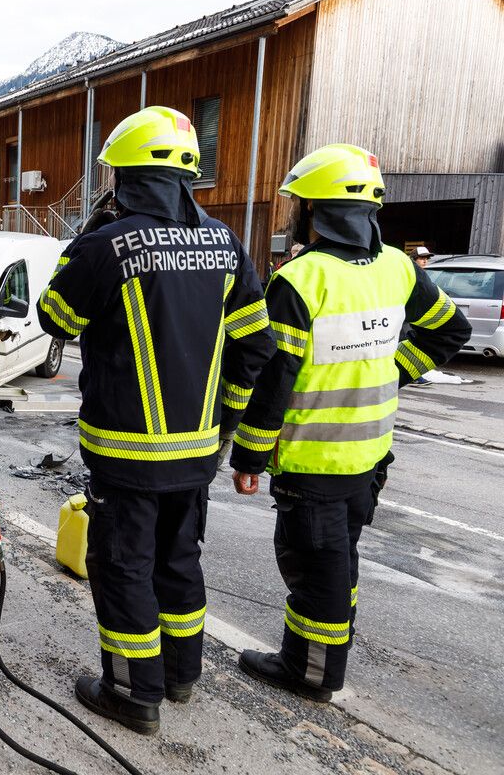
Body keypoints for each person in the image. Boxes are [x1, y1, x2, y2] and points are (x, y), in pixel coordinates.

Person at [36, 106, 275, 735]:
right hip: (196, 454)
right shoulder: (225, 243)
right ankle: (179, 676)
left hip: (127, 452)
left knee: (123, 569)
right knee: (178, 563)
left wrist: (87, 241)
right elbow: (256, 346)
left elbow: (55, 319)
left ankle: (133, 694)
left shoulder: (106, 244)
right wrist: (225, 423)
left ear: (127, 177)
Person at [229, 144, 471, 704]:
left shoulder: (301, 279)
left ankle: (311, 672)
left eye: (301, 204)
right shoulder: (398, 268)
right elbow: (448, 332)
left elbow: (274, 381)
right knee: (339, 561)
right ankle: (321, 654)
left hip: (313, 462)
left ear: (317, 211)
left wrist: (248, 458)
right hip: (369, 458)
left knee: (316, 570)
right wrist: (391, 373)